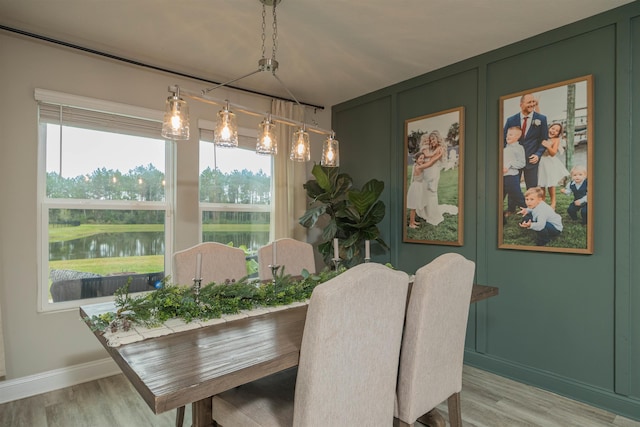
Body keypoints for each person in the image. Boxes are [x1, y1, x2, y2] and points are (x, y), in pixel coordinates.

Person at [503, 93, 549, 189]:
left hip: (531, 160)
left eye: (533, 102)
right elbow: (503, 140)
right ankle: (513, 205)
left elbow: (544, 139)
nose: (532, 104)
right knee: (513, 189)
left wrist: (538, 154)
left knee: (532, 189)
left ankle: (531, 204)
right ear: (521, 104)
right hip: (514, 161)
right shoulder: (511, 120)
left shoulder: (541, 119)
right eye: (529, 102)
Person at [416, 131, 458, 226]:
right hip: (428, 172)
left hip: (433, 173)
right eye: (430, 140)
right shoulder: (431, 148)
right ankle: (425, 212)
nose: (431, 141)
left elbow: (432, 161)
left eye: (433, 139)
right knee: (426, 192)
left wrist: (420, 167)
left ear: (438, 139)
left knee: (431, 192)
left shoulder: (440, 148)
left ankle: (432, 213)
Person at [537, 123, 570, 210]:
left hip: (549, 162)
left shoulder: (556, 140)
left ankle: (553, 202)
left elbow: (553, 153)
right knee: (541, 183)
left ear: (558, 133)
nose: (553, 131)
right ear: (549, 128)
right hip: (540, 162)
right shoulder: (542, 136)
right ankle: (542, 201)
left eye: (556, 131)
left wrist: (548, 146)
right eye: (552, 128)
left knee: (551, 183)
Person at [503, 126, 526, 222]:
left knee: (517, 196)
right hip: (501, 177)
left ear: (518, 137)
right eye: (508, 134)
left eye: (511, 135)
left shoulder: (519, 148)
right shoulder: (504, 147)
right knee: (499, 196)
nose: (508, 136)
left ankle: (529, 211)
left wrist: (509, 165)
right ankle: (501, 217)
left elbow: (522, 163)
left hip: (511, 177)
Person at [406, 151, 429, 229]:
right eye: (420, 158)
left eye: (423, 158)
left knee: (414, 206)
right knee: (413, 206)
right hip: (416, 187)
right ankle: (411, 224)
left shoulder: (416, 165)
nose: (422, 160)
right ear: (416, 159)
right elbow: (429, 164)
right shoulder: (418, 167)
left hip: (417, 185)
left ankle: (413, 221)